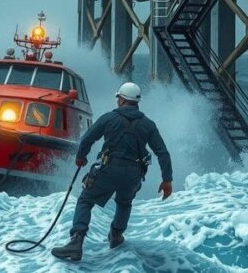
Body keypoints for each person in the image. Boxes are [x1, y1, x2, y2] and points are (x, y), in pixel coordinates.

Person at [51, 82, 173, 262]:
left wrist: (81, 157)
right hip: (133, 174)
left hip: (109, 169)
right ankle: (116, 236)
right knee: (124, 203)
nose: (118, 100)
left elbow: (87, 138)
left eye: (119, 98)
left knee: (86, 200)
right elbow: (162, 152)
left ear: (122, 99)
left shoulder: (109, 118)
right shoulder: (148, 124)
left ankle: (76, 241)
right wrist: (167, 180)